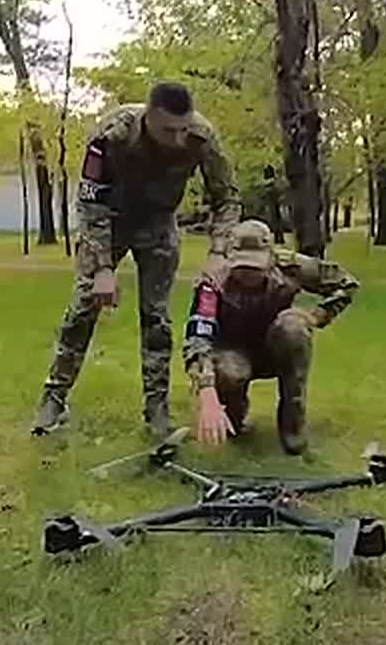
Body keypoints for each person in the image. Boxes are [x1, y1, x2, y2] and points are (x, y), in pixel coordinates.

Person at [32, 82, 241, 438]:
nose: (178, 139)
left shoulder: (202, 136)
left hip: (159, 224)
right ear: (149, 117)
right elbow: (90, 201)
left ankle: (156, 407)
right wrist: (102, 267)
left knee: (156, 317)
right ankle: (54, 397)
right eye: (168, 131)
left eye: (183, 129)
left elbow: (228, 199)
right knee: (82, 308)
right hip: (109, 222)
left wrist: (219, 252)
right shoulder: (112, 133)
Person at [181, 219, 360, 455]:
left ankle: (292, 426)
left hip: (277, 348)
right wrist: (207, 390)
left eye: (255, 267)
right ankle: (232, 415)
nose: (248, 275)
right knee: (230, 375)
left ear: (270, 258)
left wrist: (317, 316)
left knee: (293, 327)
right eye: (242, 268)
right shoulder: (212, 282)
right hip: (231, 355)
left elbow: (347, 284)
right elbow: (198, 337)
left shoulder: (292, 267)